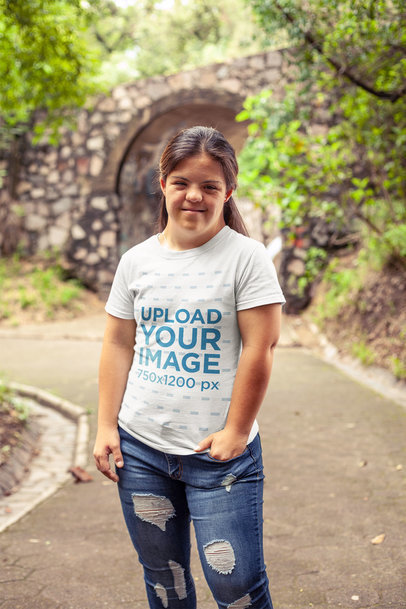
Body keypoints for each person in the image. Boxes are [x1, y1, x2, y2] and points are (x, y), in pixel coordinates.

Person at [93, 125, 285, 609]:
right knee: (165, 580)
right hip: (140, 452)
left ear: (229, 191)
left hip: (220, 458)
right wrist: (104, 426)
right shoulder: (136, 262)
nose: (194, 196)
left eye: (210, 186)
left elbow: (260, 350)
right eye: (181, 182)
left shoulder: (247, 259)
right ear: (163, 184)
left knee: (235, 587)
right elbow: (118, 343)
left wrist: (237, 431)